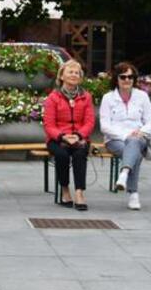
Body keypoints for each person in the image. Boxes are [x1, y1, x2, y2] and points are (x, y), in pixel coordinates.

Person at [43, 59, 95, 210]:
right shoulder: (53, 98)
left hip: (80, 137)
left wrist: (78, 136)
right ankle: (65, 190)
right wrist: (63, 137)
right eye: (70, 72)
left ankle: (79, 193)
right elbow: (49, 125)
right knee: (62, 155)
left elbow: (90, 122)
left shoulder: (86, 97)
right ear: (62, 76)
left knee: (80, 154)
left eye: (76, 73)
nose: (74, 75)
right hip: (57, 138)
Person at [99, 62, 151, 210]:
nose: (127, 80)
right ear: (117, 79)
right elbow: (104, 126)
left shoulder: (142, 96)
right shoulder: (107, 98)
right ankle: (133, 193)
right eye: (123, 76)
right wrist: (126, 135)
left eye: (131, 76)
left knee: (134, 143)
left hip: (139, 137)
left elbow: (150, 121)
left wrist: (141, 132)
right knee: (135, 153)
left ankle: (124, 173)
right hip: (115, 140)